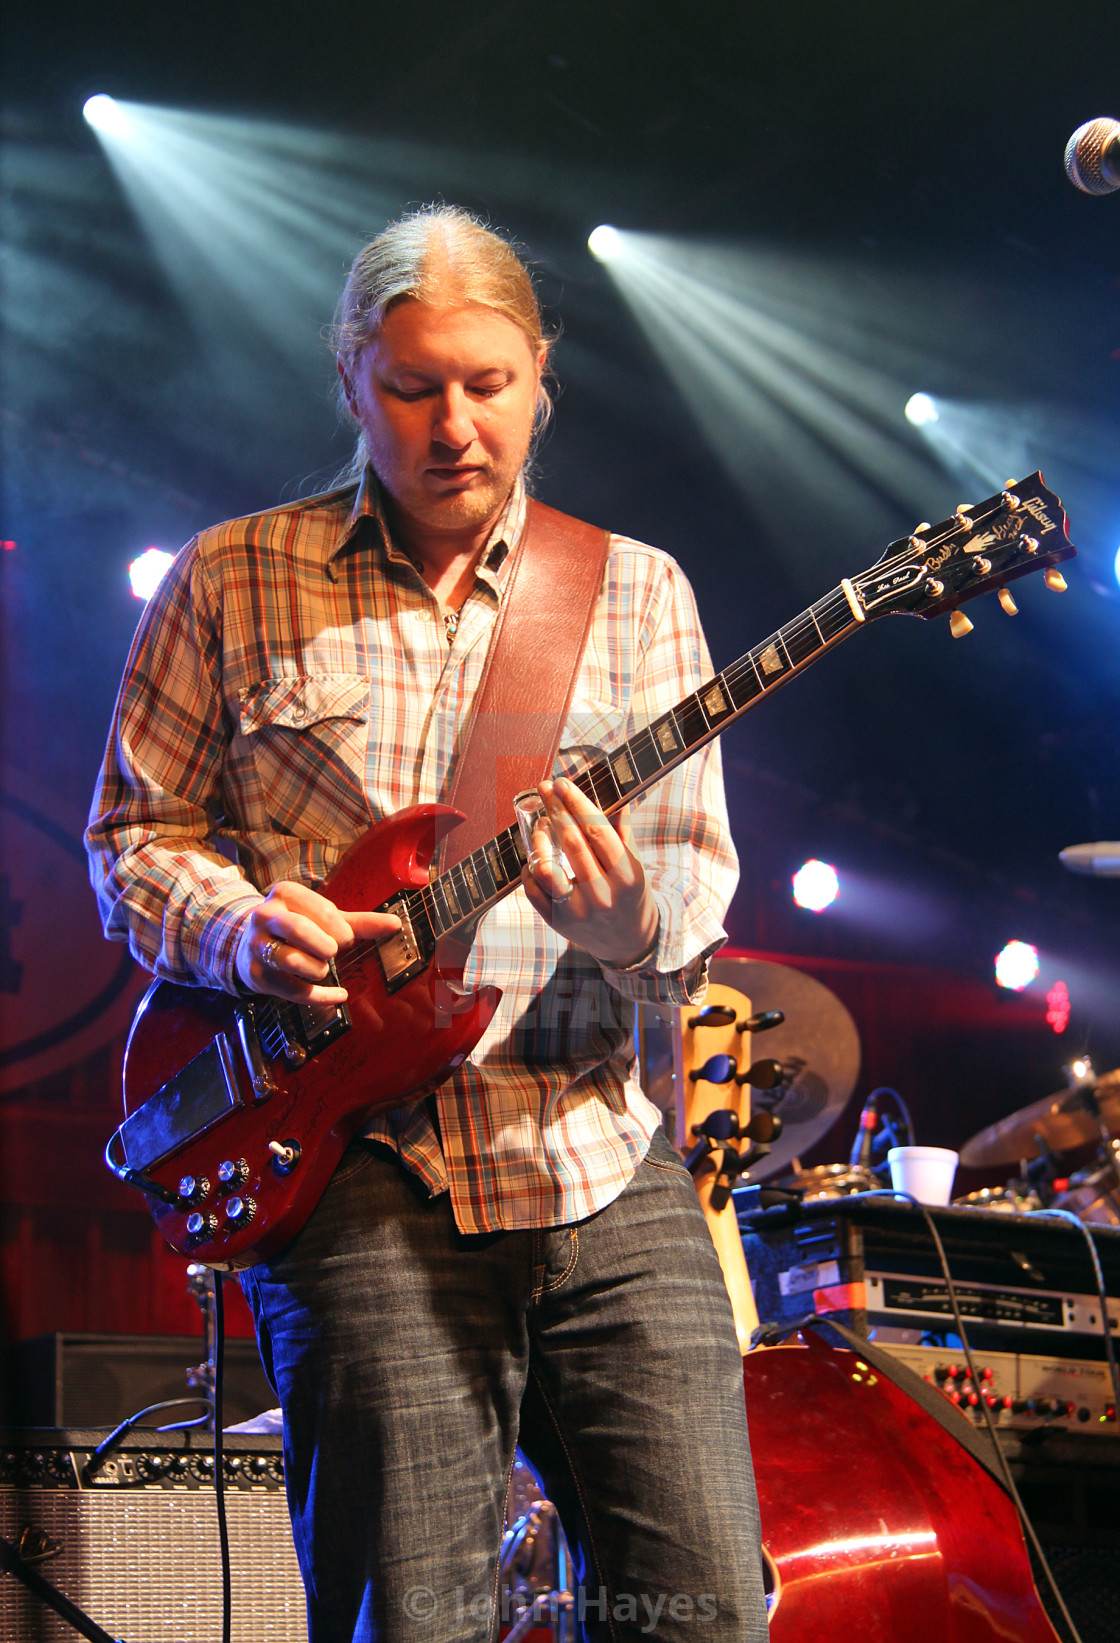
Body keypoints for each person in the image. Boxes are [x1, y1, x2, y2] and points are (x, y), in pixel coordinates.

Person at [87, 206, 768, 1643]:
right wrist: (235, 933)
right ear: (350, 380)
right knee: (415, 1620)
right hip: (360, 1163)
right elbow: (134, 840)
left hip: (593, 1148)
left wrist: (630, 919)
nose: (456, 427)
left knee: (702, 1610)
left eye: (489, 384)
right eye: (412, 387)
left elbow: (690, 887)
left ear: (541, 379)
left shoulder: (637, 593)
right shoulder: (230, 578)